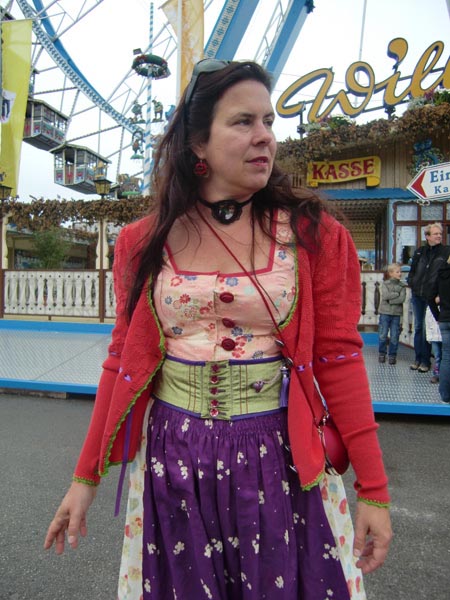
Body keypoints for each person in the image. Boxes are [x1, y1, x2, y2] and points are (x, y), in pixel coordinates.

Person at [44, 59, 392, 599]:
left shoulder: (313, 235)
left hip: (279, 459)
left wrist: (374, 489)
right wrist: (84, 478)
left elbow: (339, 359)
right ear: (197, 144)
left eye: (269, 122)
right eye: (243, 121)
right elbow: (122, 360)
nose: (265, 136)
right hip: (172, 458)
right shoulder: (142, 242)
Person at [407, 222, 450, 373]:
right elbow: (412, 271)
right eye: (435, 233)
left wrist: (440, 293)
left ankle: (426, 362)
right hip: (418, 294)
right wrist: (412, 282)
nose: (439, 236)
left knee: (428, 329)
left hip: (433, 296)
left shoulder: (446, 251)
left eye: (440, 233)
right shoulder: (420, 252)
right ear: (427, 236)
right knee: (418, 327)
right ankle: (418, 358)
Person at [429, 255, 450, 404]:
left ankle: (445, 395)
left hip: (444, 319)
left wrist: (438, 316)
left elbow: (430, 297)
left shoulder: (441, 274)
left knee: (446, 357)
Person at [378, 263, 406, 365]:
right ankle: (382, 353)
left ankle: (392, 355)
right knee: (383, 334)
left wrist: (391, 300)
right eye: (397, 272)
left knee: (394, 336)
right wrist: (396, 294)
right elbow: (385, 296)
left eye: (400, 272)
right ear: (391, 273)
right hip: (385, 313)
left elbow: (402, 299)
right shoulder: (385, 284)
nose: (400, 273)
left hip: (396, 314)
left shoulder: (402, 286)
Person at [425, 307, 442, 384]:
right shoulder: (430, 309)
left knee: (445, 356)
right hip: (434, 337)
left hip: (443, 335)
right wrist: (428, 337)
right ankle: (436, 374)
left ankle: (444, 374)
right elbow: (427, 324)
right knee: (437, 356)